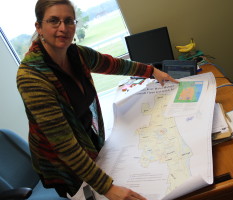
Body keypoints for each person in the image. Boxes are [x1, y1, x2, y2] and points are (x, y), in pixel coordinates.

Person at [16, 0, 178, 199]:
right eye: (53, 21)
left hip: (87, 140)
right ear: (39, 27)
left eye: (69, 21)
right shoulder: (31, 77)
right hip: (61, 162)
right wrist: (107, 188)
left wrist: (151, 71)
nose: (63, 28)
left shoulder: (76, 54)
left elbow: (113, 65)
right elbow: (64, 144)